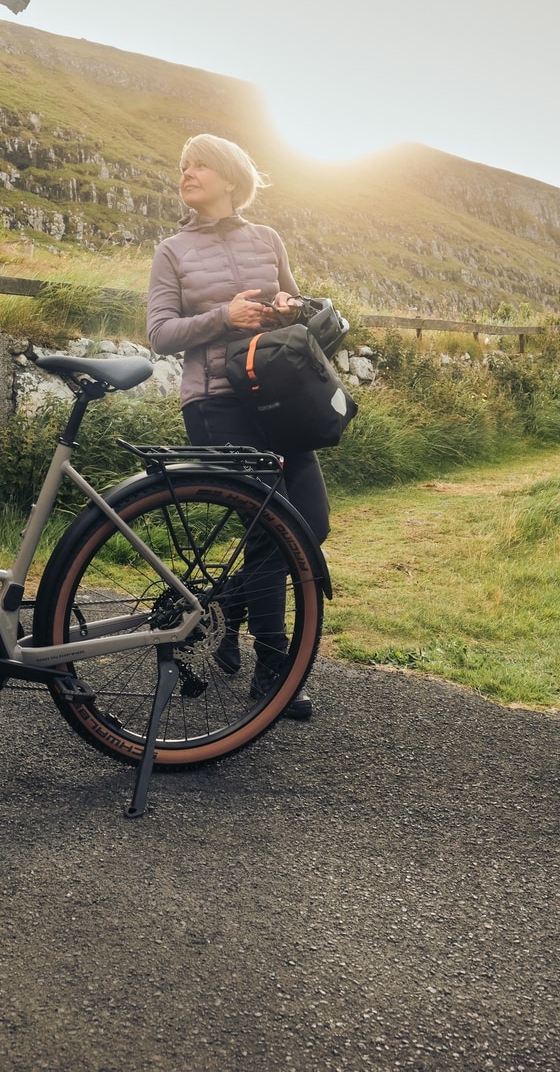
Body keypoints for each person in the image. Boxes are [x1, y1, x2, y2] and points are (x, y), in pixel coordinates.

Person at [146, 133, 327, 721]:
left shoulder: (268, 239)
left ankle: (226, 600)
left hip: (281, 400)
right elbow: (161, 333)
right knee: (269, 528)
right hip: (216, 403)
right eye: (183, 164)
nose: (187, 172)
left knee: (312, 523)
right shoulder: (171, 251)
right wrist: (225, 316)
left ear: (230, 177)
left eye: (198, 164)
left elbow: (298, 309)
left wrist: (289, 310)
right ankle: (276, 671)